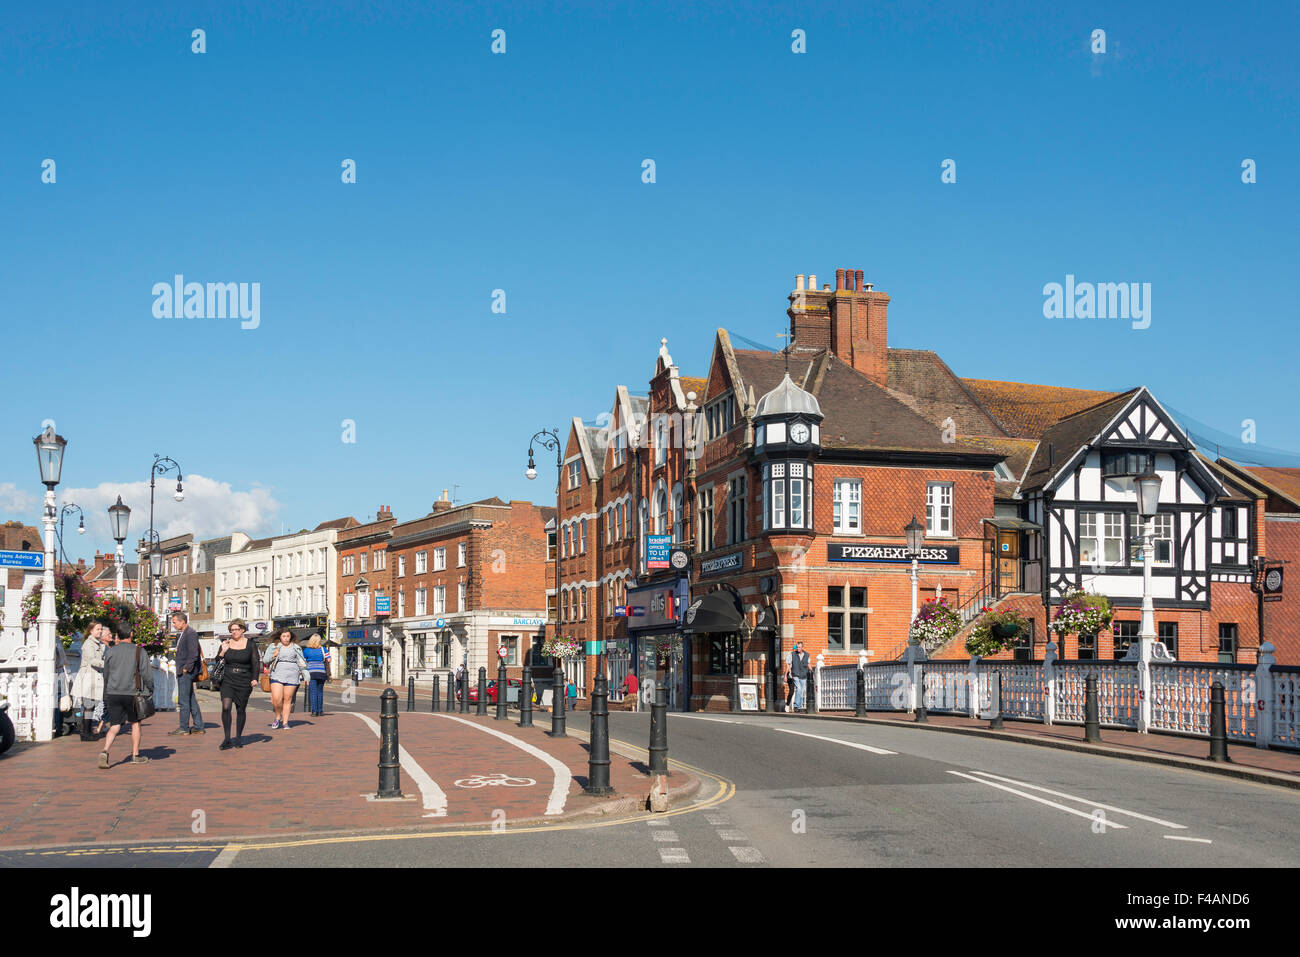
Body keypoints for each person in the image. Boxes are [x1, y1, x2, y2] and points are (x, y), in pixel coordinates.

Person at [97, 625, 152, 768]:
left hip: (113, 692)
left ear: (118, 635)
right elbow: (146, 673)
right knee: (135, 723)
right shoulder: (139, 651)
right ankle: (135, 755)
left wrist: (106, 693)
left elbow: (106, 674)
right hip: (132, 693)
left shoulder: (111, 652)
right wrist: (150, 688)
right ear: (131, 634)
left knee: (115, 725)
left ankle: (105, 750)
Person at [216, 619, 260, 749]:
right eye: (232, 630)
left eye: (236, 629)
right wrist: (223, 651)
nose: (234, 632)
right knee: (226, 707)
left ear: (242, 630)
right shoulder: (226, 643)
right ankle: (227, 738)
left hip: (244, 679)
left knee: (240, 709)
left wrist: (254, 678)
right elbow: (218, 661)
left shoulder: (250, 644)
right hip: (228, 678)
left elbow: (255, 662)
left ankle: (239, 738)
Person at [264, 629, 309, 730]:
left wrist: (306, 675)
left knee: (288, 699)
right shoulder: (274, 646)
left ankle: (285, 722)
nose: (285, 638)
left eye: (287, 636)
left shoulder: (296, 647)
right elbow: (265, 660)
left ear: (291, 637)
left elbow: (301, 661)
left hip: (292, 674)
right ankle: (278, 716)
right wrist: (274, 655)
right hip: (277, 674)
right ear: (280, 637)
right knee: (276, 699)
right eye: (283, 636)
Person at [170, 611, 205, 735]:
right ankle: (198, 725)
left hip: (186, 672)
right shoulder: (184, 633)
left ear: (182, 621)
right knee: (191, 699)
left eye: (174, 622)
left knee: (184, 700)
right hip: (184, 670)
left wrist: (186, 668)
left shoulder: (190, 633)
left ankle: (184, 727)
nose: (173, 624)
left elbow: (193, 653)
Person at [72, 621, 109, 736]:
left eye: (101, 629)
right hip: (88, 677)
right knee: (88, 705)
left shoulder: (98, 644)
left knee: (91, 706)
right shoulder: (88, 644)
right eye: (98, 629)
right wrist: (107, 664)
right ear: (91, 631)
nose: (100, 631)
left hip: (94, 677)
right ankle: (85, 732)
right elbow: (92, 660)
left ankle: (86, 731)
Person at [302, 634, 330, 716]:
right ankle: (320, 710)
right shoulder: (323, 649)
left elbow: (303, 661)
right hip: (321, 672)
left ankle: (314, 711)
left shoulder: (306, 650)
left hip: (311, 673)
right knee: (320, 692)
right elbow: (329, 659)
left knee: (313, 692)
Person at [790, 642, 810, 712]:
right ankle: (795, 705)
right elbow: (789, 664)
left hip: (803, 675)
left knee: (802, 691)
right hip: (795, 674)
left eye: (799, 647)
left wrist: (812, 672)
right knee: (798, 689)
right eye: (797, 647)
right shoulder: (793, 654)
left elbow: (808, 664)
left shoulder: (807, 655)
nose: (798, 648)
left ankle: (799, 707)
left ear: (802, 647)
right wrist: (790, 672)